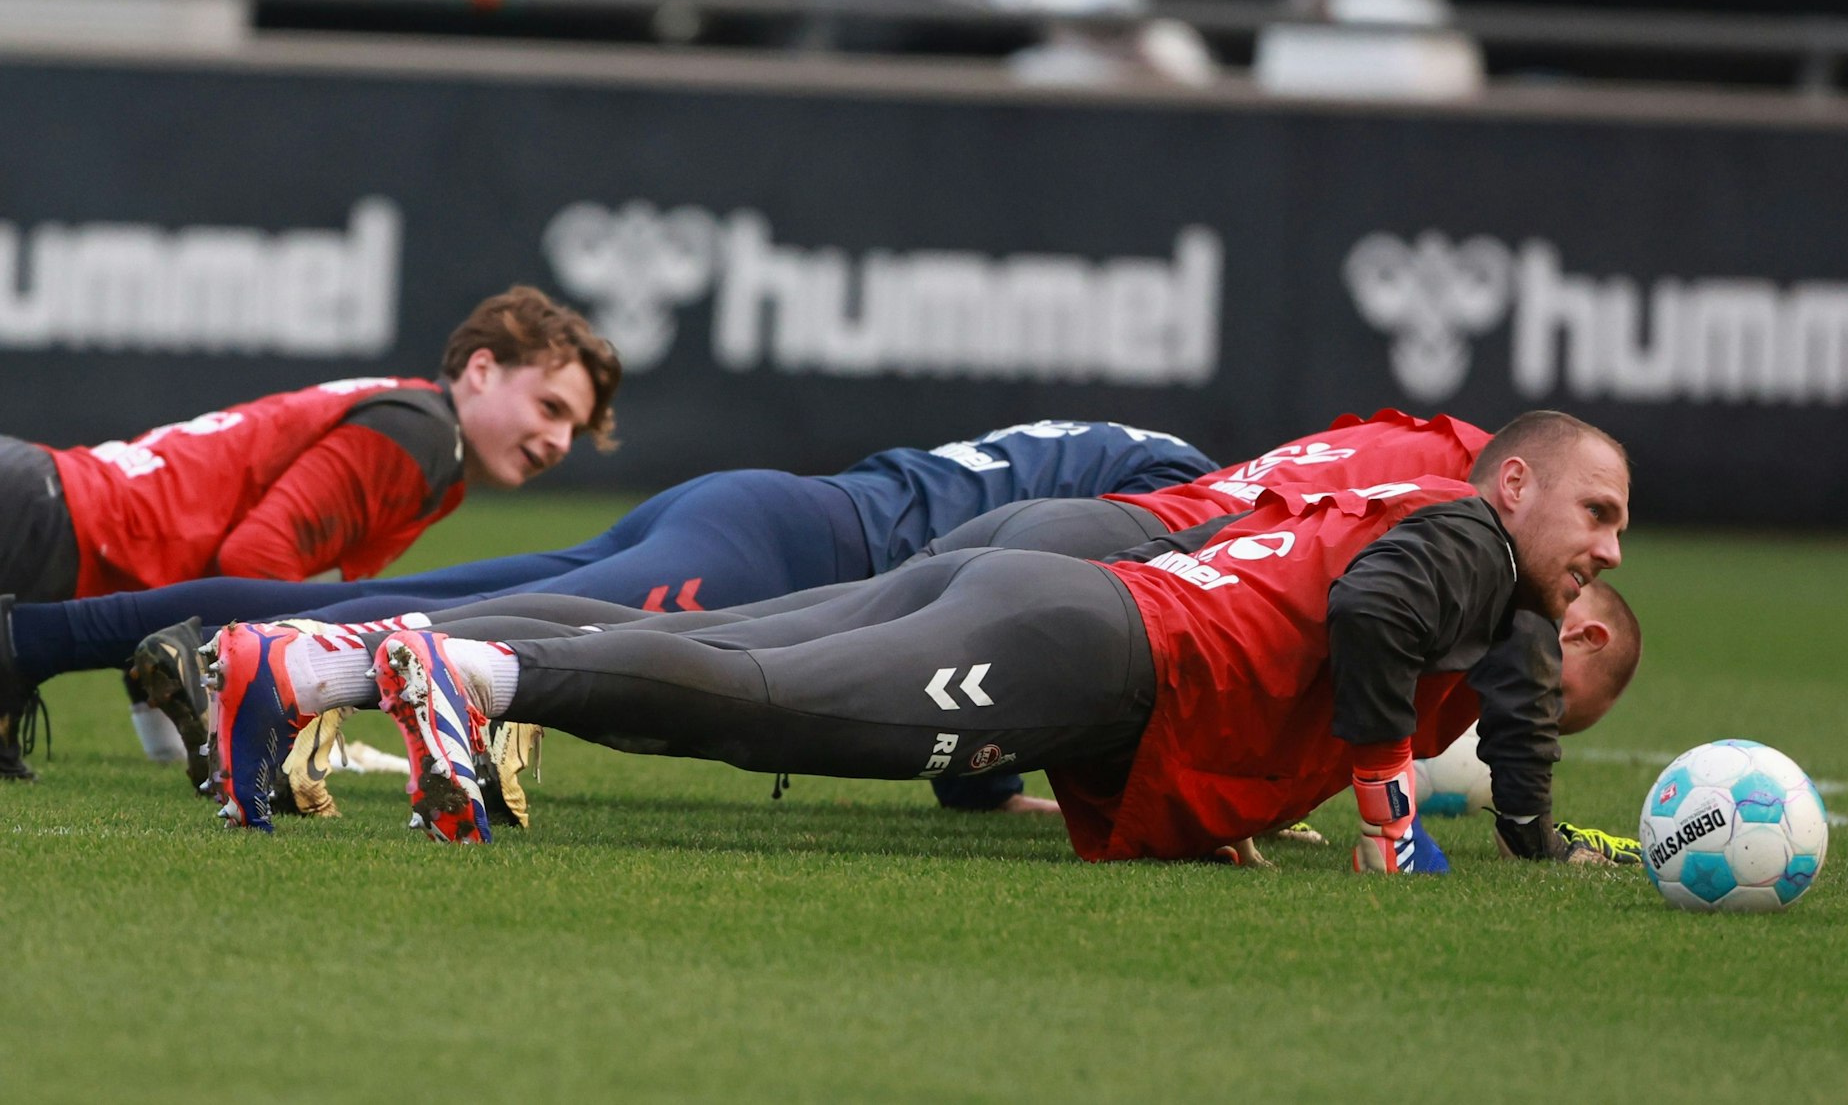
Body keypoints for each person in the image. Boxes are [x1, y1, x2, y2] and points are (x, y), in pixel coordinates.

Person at [208, 410, 1631, 867]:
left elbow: (1302, 618)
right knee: (760, 694)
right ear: (1515, 480)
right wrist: (1391, 817)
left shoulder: (1408, 485)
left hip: (1078, 590)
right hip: (1095, 631)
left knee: (741, 656)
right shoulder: (1468, 537)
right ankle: (467, 673)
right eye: (1599, 517)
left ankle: (319, 660)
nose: (1606, 554)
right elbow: (1373, 616)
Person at [0, 420, 1215, 786]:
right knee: (436, 627)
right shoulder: (1180, 491)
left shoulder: (1138, 449)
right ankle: (258, 672)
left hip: (768, 508)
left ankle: (34, 639)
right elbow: (997, 616)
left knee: (400, 597)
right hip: (784, 549)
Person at [0, 285, 621, 778]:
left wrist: (179, 728)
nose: (559, 442)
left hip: (49, 516)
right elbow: (254, 561)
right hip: (44, 524)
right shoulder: (423, 437)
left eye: (575, 430)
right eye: (551, 408)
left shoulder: (422, 430)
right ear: (482, 369)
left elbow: (197, 591)